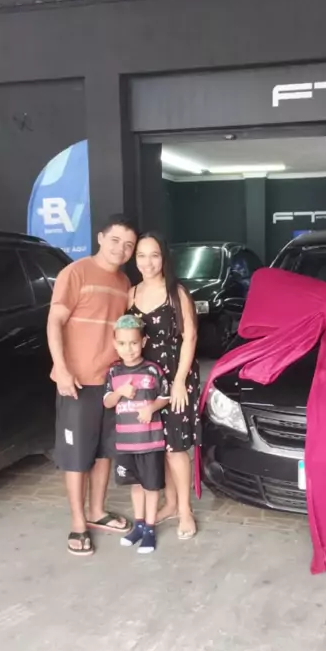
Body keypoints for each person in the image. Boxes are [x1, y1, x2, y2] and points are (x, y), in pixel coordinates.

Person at [47, 214, 138, 556]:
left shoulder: (124, 283)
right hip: (78, 383)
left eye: (128, 245)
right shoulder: (76, 273)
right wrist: (61, 368)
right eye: (115, 240)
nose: (121, 249)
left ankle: (97, 512)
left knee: (103, 452)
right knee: (76, 456)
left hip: (111, 383)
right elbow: (55, 322)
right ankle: (78, 523)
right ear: (100, 238)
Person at [128, 231, 200, 540]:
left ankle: (185, 511)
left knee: (175, 448)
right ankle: (169, 504)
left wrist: (180, 381)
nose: (148, 262)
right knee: (158, 447)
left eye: (154, 255)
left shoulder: (176, 292)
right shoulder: (131, 294)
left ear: (164, 258)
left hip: (175, 377)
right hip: (147, 380)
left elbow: (190, 337)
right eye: (141, 255)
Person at [104, 314, 170, 554]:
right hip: (126, 443)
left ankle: (150, 528)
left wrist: (151, 408)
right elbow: (108, 402)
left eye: (133, 343)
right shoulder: (114, 373)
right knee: (135, 484)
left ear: (143, 342)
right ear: (115, 344)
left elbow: (165, 396)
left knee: (151, 486)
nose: (128, 349)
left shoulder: (152, 370)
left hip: (150, 441)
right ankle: (139, 525)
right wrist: (120, 391)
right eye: (122, 343)